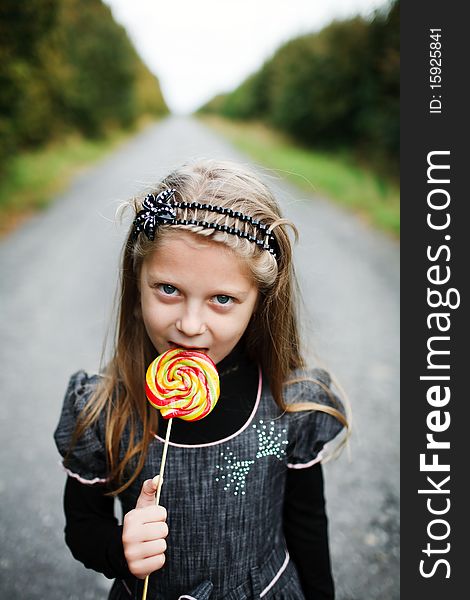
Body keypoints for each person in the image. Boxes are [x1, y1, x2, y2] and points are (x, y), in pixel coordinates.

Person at [54, 159, 349, 600]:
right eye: (168, 289)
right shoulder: (102, 411)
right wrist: (119, 548)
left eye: (223, 299)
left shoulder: (290, 403)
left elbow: (307, 523)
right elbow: (82, 528)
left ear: (259, 304)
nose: (191, 325)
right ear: (137, 285)